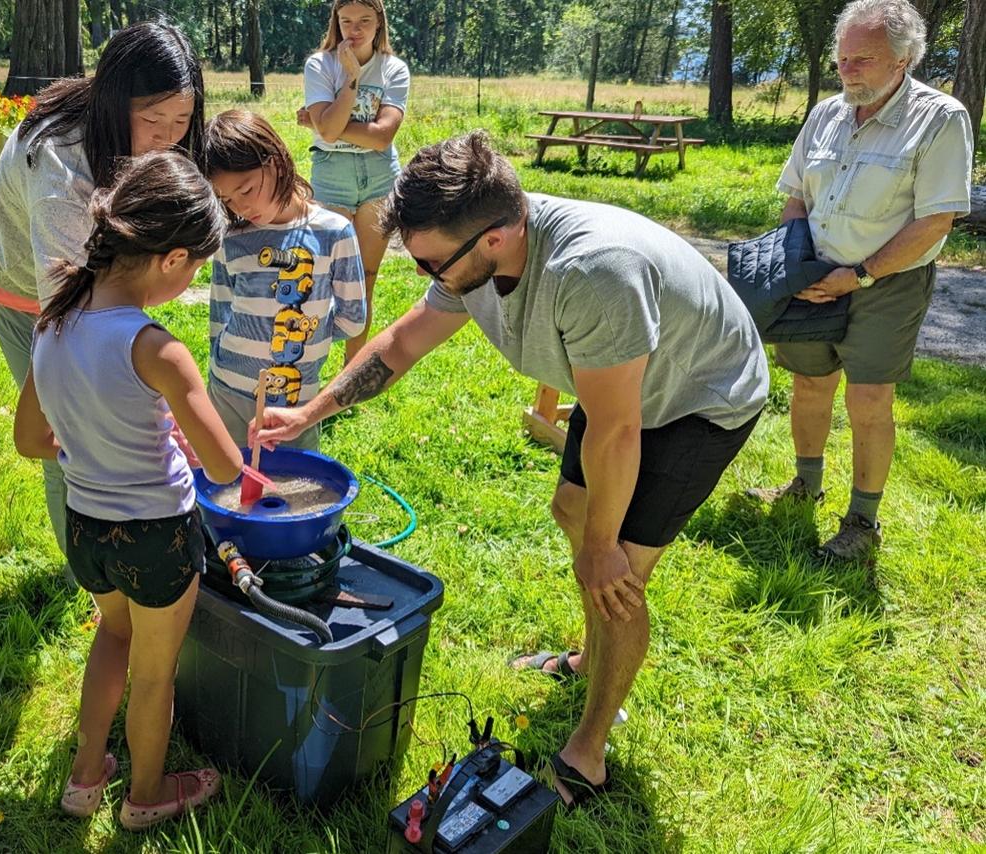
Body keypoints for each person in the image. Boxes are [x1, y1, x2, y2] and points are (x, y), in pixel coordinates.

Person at [252, 132, 769, 810]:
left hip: (696, 397)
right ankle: (587, 658)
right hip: (617, 383)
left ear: (494, 238)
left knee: (618, 577)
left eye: (430, 262)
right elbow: (402, 342)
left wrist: (604, 550)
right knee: (573, 515)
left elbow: (616, 432)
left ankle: (590, 746)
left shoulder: (592, 273)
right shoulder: (474, 257)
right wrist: (309, 411)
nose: (422, 274)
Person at [14, 151, 242, 830]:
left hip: (87, 528)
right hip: (156, 538)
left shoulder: (53, 320)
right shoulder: (156, 348)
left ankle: (85, 777)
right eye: (197, 266)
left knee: (111, 638)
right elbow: (225, 467)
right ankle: (146, 794)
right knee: (154, 673)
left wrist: (95, 441)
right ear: (172, 258)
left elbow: (30, 440)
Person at [746, 0, 974, 563]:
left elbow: (936, 221)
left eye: (862, 60)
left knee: (869, 400)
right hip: (814, 276)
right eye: (842, 59)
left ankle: (862, 522)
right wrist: (796, 264)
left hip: (886, 283)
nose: (847, 71)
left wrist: (862, 275)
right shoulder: (826, 114)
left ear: (903, 60)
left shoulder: (940, 118)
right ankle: (804, 486)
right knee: (809, 384)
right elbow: (796, 195)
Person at [0, 21, 205, 552]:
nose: (168, 139)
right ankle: (89, 577)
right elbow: (69, 309)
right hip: (33, 299)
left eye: (182, 120)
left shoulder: (159, 134)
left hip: (97, 287)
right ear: (113, 104)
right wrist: (150, 379)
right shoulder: (61, 166)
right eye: (153, 121)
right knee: (68, 439)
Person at [202, 109, 367, 450]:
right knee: (226, 488)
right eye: (227, 199)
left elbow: (353, 321)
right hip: (227, 393)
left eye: (246, 190)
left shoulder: (334, 232)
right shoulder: (230, 238)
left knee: (294, 491)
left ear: (276, 162)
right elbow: (220, 312)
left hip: (297, 401)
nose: (241, 207)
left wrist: (309, 334)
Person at [298, 0, 408, 362]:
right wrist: (351, 78)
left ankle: (350, 372)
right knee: (322, 275)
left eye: (364, 20)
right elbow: (329, 133)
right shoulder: (320, 64)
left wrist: (319, 121)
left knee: (366, 277)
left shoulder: (395, 69)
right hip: (333, 173)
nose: (355, 29)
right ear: (336, 22)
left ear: (380, 23)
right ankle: (308, 363)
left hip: (379, 175)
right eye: (346, 21)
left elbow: (381, 137)